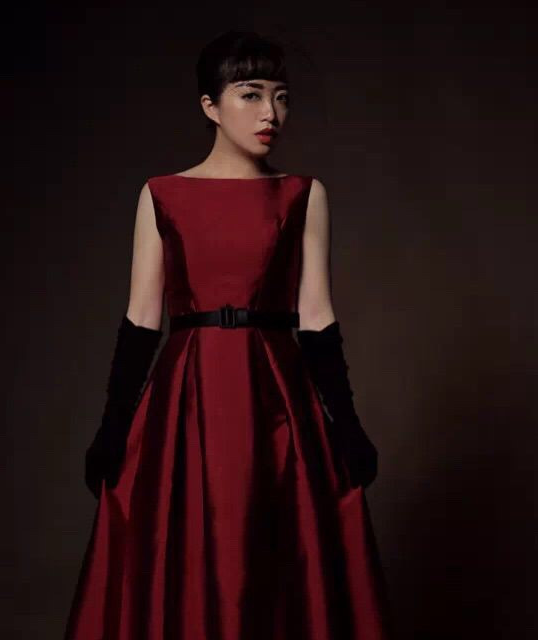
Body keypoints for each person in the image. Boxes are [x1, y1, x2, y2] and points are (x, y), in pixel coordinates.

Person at [64, 29, 394, 640]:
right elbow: (141, 319)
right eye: (251, 94)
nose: (271, 113)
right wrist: (112, 429)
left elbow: (317, 317)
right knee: (187, 547)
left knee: (276, 556)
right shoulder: (162, 194)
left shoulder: (302, 195)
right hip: (186, 401)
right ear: (209, 106)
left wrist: (347, 425)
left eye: (281, 96)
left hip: (275, 396)